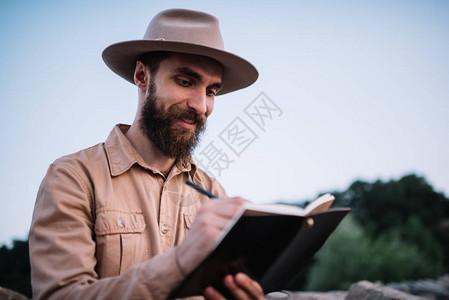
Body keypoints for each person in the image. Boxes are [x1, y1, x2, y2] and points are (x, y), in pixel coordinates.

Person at [29, 8, 264, 300]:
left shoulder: (212, 192)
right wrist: (178, 263)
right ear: (142, 76)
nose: (201, 105)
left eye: (211, 91)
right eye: (185, 81)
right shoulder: (73, 178)